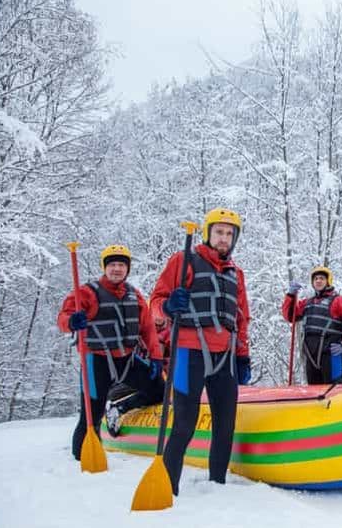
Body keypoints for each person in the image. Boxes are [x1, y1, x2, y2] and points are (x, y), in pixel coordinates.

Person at [150, 207, 251, 495]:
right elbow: (155, 300)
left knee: (225, 425)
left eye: (229, 234)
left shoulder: (236, 273)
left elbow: (241, 316)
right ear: (208, 233)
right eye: (219, 232)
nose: (224, 238)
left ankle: (217, 485)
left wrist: (243, 353)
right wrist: (168, 306)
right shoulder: (184, 261)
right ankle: (168, 489)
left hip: (225, 357)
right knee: (184, 423)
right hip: (189, 353)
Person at [57, 244, 163, 460]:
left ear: (127, 269)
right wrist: (71, 321)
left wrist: (156, 357)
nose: (117, 269)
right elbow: (63, 318)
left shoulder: (134, 295)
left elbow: (148, 328)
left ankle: (120, 407)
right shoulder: (87, 293)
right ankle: (81, 459)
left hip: (127, 359)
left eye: (122, 265)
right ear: (105, 267)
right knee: (90, 415)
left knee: (159, 391)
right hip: (97, 361)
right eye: (112, 265)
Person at [282, 266, 342, 384]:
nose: (318, 281)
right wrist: (290, 296)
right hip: (310, 355)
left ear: (328, 281)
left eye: (322, 278)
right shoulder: (307, 303)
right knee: (313, 391)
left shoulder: (338, 301)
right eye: (316, 279)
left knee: (333, 390)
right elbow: (290, 316)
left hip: (331, 353)